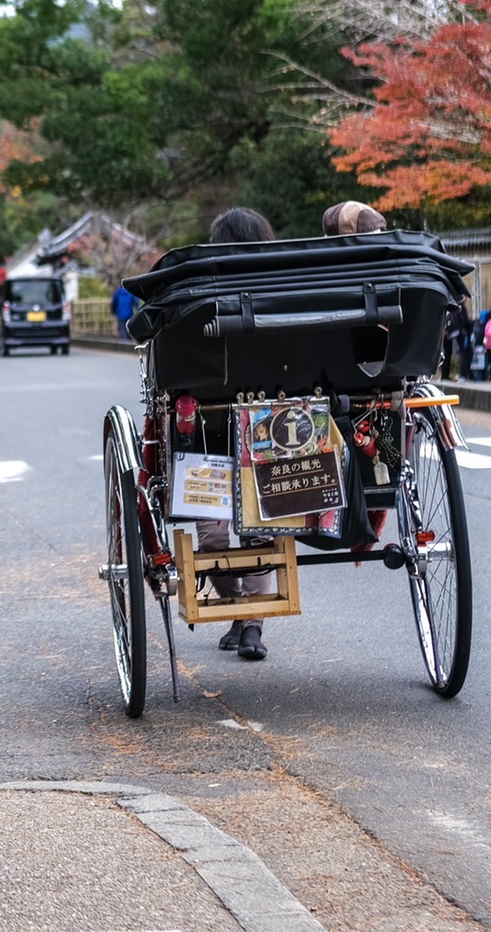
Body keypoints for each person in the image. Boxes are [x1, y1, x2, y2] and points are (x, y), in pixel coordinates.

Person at [201, 206, 280, 660]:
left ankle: (248, 621)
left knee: (215, 535)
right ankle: (243, 615)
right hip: (273, 428)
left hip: (210, 435)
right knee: (259, 525)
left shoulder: (202, 298)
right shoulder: (285, 292)